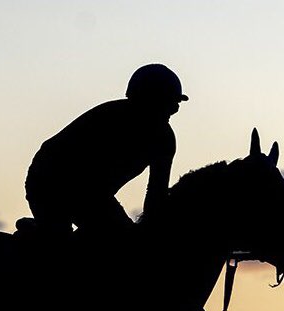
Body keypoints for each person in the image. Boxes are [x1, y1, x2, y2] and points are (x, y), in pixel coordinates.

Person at [23, 63, 188, 242]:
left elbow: (156, 194)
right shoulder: (110, 120)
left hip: (95, 194)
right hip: (49, 181)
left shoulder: (164, 140)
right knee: (61, 242)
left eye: (176, 104)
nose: (174, 110)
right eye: (169, 103)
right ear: (148, 100)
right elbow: (83, 185)